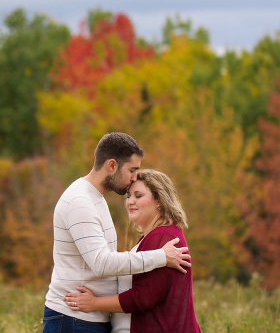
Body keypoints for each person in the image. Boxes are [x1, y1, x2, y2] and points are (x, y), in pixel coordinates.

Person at [42, 132, 191, 333]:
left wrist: (98, 304)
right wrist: (161, 256)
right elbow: (102, 263)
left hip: (88, 318)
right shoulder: (80, 202)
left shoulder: (96, 199)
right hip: (73, 318)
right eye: (132, 170)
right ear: (112, 166)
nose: (134, 177)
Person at [64, 169, 201, 332]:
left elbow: (143, 297)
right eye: (128, 196)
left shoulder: (164, 237)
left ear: (159, 200)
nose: (130, 201)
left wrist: (94, 303)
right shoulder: (152, 237)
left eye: (138, 195)